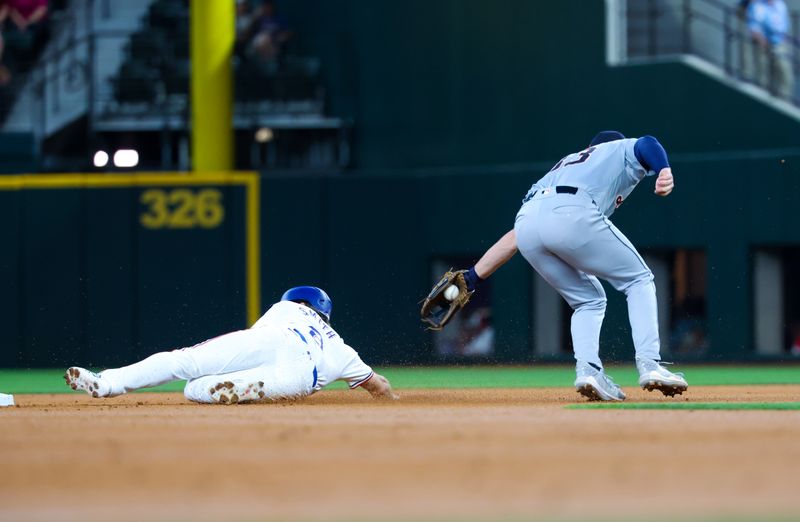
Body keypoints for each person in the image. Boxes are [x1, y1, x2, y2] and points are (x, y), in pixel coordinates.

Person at [456, 131, 688, 401]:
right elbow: (647, 142)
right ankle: (650, 364)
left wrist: (473, 276)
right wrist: (663, 169)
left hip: (528, 222)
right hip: (572, 211)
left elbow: (514, 239)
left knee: (588, 300)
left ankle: (588, 371)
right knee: (638, 280)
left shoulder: (565, 166)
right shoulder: (613, 150)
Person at [65, 286, 398, 404]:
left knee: (186, 367)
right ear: (326, 315)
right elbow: (378, 387)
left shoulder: (285, 308)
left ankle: (107, 382)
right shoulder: (342, 349)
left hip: (272, 338)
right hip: (300, 376)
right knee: (203, 390)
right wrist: (393, 399)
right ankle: (245, 389)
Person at [744, 0, 794, 101]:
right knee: (763, 74)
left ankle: (785, 100)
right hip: (763, 44)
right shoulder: (757, 6)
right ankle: (762, 98)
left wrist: (783, 41)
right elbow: (754, 28)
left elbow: (784, 25)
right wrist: (763, 41)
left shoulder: (780, 4)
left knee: (785, 72)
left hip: (780, 44)